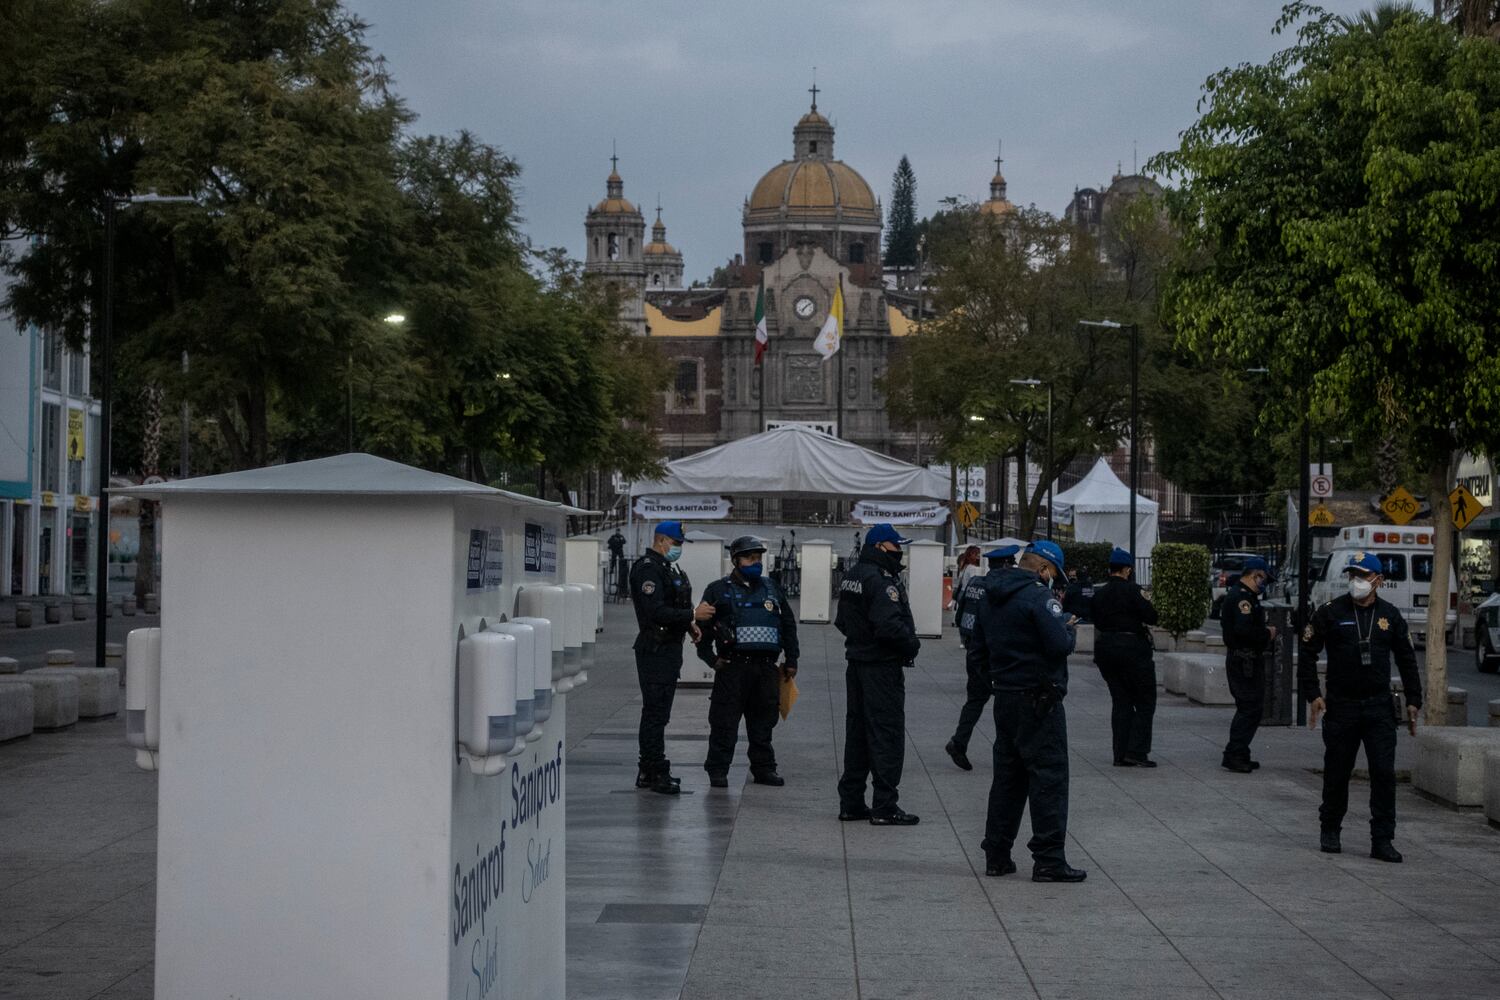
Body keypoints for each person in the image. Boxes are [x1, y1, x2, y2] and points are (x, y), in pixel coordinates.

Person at [970, 540, 1085, 882]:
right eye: (1054, 575)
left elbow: (977, 652)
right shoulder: (1039, 597)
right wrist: (1068, 627)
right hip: (1039, 699)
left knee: (1007, 778)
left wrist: (994, 682)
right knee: (1048, 777)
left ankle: (997, 854)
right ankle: (1049, 860)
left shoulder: (989, 595)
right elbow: (1059, 645)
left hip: (1005, 698)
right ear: (1044, 570)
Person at [1300, 552, 1422, 862]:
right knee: (1337, 771)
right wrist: (1313, 693)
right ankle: (1330, 828)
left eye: (1364, 576)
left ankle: (1382, 839)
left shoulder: (1390, 616)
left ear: (1378, 581)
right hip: (1342, 706)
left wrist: (1413, 700)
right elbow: (1307, 653)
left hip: (1379, 707)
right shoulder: (1330, 612)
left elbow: (1407, 660)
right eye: (1353, 574)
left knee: (1383, 774)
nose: (1357, 581)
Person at [835, 523, 922, 826]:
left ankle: (851, 802)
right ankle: (885, 805)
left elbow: (842, 622)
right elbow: (889, 627)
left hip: (856, 663)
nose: (901, 552)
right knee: (886, 733)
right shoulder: (880, 580)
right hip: (881, 668)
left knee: (857, 735)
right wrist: (912, 643)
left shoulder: (853, 576)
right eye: (897, 546)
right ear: (882, 547)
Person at [695, 536, 799, 788]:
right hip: (733, 667)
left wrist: (792, 659)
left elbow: (787, 625)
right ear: (736, 561)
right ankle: (718, 770)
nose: (756, 562)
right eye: (750, 558)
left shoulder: (772, 588)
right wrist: (711, 659)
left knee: (763, 722)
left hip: (766, 668)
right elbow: (701, 631)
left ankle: (764, 769)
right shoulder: (718, 590)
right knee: (724, 722)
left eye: (758, 558)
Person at [629, 521, 715, 794]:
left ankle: (649, 770)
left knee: (660, 713)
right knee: (655, 714)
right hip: (655, 650)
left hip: (667, 650)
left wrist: (689, 625)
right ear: (662, 540)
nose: (678, 549)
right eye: (676, 543)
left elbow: (672, 605)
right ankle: (654, 770)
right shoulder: (648, 569)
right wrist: (691, 616)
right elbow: (655, 611)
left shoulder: (666, 568)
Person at [946, 544, 1019, 771]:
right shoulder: (999, 591)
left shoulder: (976, 583)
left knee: (975, 701)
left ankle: (959, 742)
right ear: (1006, 565)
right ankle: (1010, 751)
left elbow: (960, 616)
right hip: (993, 655)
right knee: (1008, 703)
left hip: (973, 651)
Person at [1090, 547, 1160, 767]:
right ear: (1127, 569)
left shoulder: (1099, 592)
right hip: (1133, 650)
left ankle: (1120, 753)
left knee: (1121, 701)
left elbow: (1096, 620)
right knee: (1145, 701)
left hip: (1106, 650)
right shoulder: (1133, 590)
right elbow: (1152, 616)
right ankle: (1137, 751)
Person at [1221, 555, 1276, 773]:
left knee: (1251, 708)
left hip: (1245, 659)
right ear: (1256, 576)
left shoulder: (1243, 596)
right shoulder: (1243, 599)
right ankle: (1234, 754)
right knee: (1249, 708)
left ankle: (1241, 752)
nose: (1264, 585)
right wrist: (1267, 633)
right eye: (1264, 580)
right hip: (1244, 660)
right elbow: (1243, 631)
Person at [949, 545, 983, 625]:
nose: (979, 556)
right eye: (976, 554)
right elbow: (974, 581)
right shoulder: (972, 568)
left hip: (962, 592)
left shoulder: (965, 567)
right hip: (968, 593)